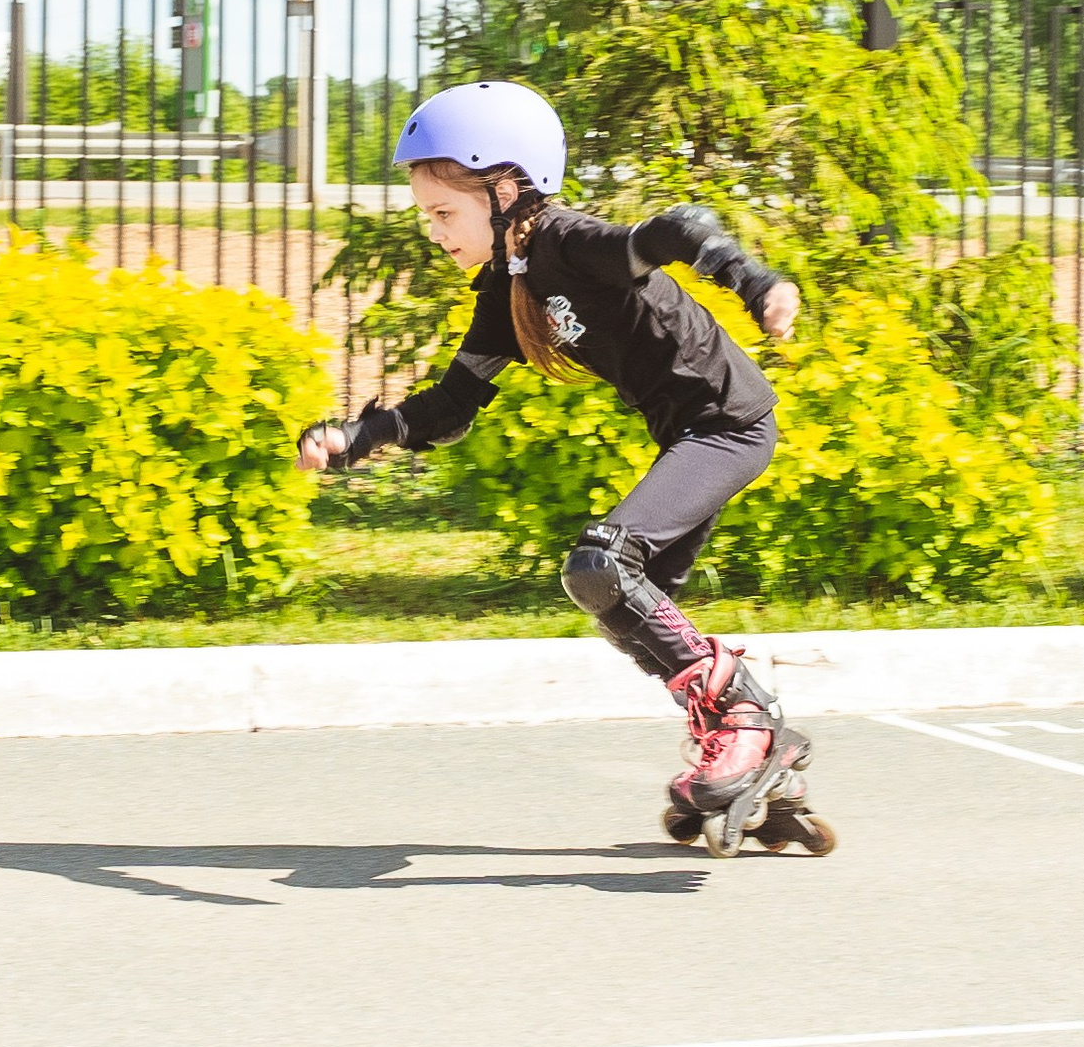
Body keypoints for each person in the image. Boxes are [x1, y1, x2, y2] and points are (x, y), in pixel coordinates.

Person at [295, 81, 832, 859]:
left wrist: (755, 283)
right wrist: (357, 436)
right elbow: (449, 408)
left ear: (505, 187)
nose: (435, 232)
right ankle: (759, 762)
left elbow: (676, 230)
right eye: (427, 216)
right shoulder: (509, 290)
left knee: (601, 564)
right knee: (624, 607)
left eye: (446, 212)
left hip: (727, 425)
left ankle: (747, 724)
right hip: (688, 432)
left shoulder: (568, 243)